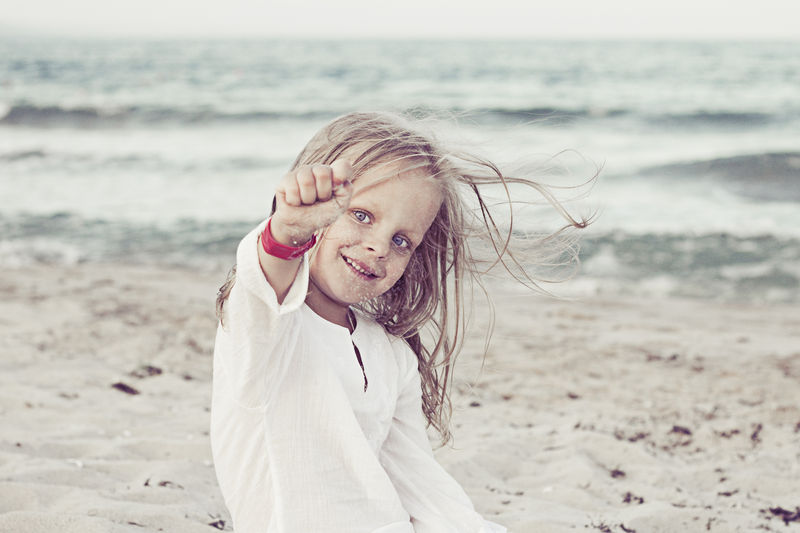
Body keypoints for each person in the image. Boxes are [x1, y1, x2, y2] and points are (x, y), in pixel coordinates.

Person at [211, 111, 588, 532]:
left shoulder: (391, 354)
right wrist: (288, 232)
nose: (379, 246)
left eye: (402, 240)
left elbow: (425, 490)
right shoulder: (266, 329)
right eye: (361, 215)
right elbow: (260, 284)